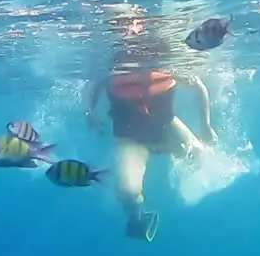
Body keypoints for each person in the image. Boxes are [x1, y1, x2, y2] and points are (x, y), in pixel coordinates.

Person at [84, 46, 218, 242]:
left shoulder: (169, 66)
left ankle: (206, 211)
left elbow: (199, 87)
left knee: (202, 158)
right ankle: (137, 219)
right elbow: (92, 86)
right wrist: (89, 113)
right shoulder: (113, 66)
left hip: (166, 127)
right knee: (128, 192)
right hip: (130, 138)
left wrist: (206, 125)